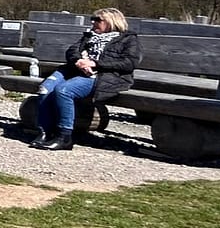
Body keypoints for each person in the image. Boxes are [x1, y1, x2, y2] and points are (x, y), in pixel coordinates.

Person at [32, 8, 140, 150]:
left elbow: (129, 63)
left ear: (111, 21)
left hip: (104, 76)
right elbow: (72, 51)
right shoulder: (89, 36)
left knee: (63, 91)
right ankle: (45, 132)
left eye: (98, 20)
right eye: (92, 19)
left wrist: (95, 64)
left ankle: (64, 137)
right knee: (45, 89)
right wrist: (78, 61)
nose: (93, 22)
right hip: (75, 70)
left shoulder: (128, 39)